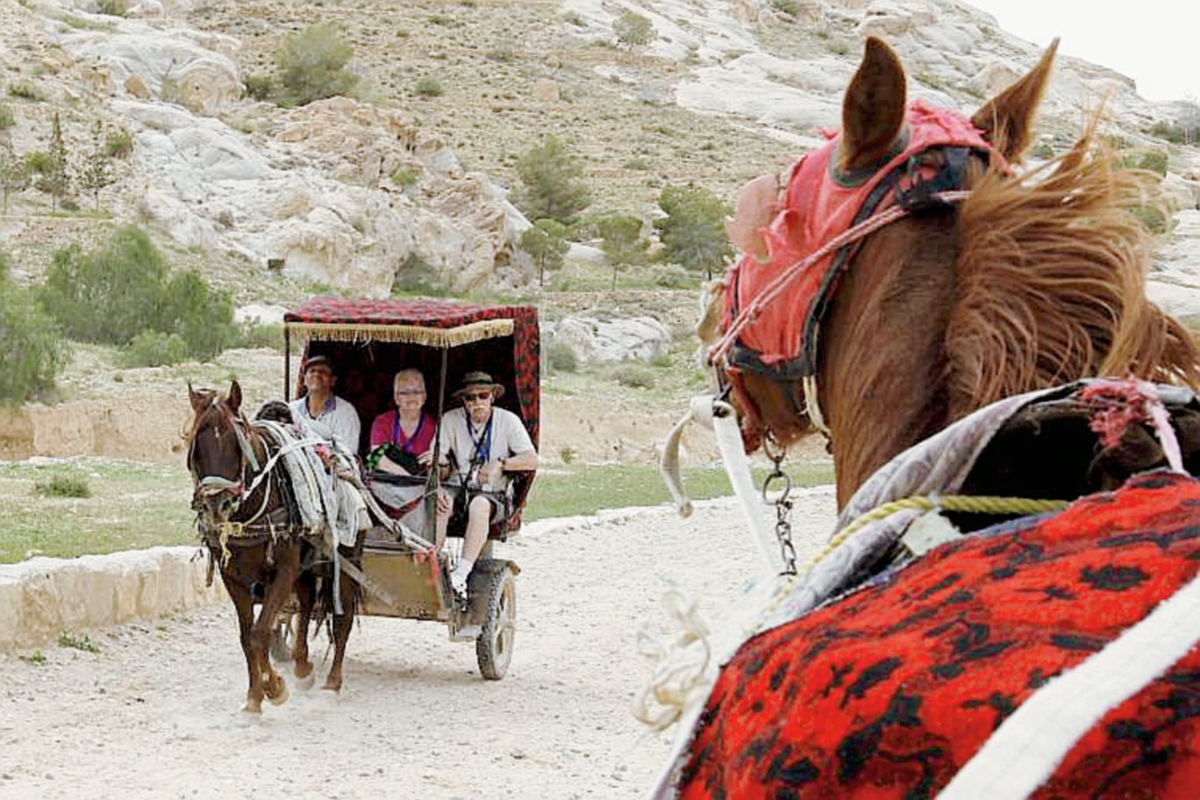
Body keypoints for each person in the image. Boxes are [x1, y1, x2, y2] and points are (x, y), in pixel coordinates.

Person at [436, 371, 537, 598]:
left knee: (479, 505)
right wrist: (439, 478)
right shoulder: (451, 419)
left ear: (492, 396)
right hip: (458, 486)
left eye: (483, 396)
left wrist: (500, 464)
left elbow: (531, 459)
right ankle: (432, 565)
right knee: (438, 502)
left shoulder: (508, 420)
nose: (477, 402)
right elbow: (438, 459)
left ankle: (461, 574)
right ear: (464, 401)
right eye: (470, 398)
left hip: (493, 493)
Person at [366, 369, 443, 534]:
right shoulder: (382, 421)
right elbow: (377, 458)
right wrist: (407, 478)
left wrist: (437, 459)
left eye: (416, 391)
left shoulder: (434, 426)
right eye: (404, 392)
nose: (411, 397)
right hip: (385, 486)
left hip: (419, 492)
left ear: (424, 397)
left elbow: (439, 464)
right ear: (396, 398)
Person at [288, 355, 362, 454]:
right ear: (304, 380)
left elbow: (349, 452)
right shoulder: (291, 410)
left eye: (323, 372)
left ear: (333, 380)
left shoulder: (346, 411)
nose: (317, 374)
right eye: (312, 371)